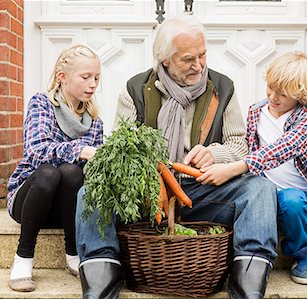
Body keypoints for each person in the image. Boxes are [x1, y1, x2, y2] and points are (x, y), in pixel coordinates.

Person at [75, 14, 278, 299]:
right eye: (188, 59)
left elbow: (239, 144)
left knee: (260, 189)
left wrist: (214, 153)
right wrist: (152, 171)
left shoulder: (223, 87)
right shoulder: (135, 89)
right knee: (90, 193)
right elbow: (120, 149)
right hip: (146, 196)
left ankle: (249, 281)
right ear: (165, 60)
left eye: (203, 54)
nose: (199, 65)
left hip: (203, 191)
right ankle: (101, 277)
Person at [198, 51, 307, 286]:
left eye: (283, 94)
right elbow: (246, 147)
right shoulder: (256, 111)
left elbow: (285, 147)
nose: (273, 97)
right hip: (282, 201)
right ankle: (303, 255)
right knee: (291, 199)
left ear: (301, 95)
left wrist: (237, 167)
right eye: (271, 88)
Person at [6, 44, 103, 292]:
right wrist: (78, 151)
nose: (93, 84)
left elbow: (93, 171)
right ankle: (23, 257)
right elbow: (36, 150)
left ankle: (73, 251)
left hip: (65, 209)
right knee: (49, 171)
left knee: (72, 172)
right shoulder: (42, 104)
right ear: (62, 77)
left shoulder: (94, 120)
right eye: (85, 77)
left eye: (96, 78)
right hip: (30, 200)